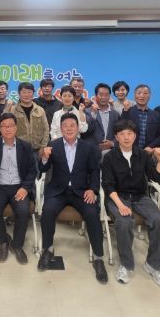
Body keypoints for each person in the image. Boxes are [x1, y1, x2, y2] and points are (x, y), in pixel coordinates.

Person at [37, 113, 108, 284]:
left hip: (82, 191)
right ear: (60, 129)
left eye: (72, 125)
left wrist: (92, 190)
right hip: (58, 190)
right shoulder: (53, 145)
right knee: (47, 211)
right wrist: (44, 157)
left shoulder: (88, 147)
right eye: (65, 126)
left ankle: (98, 258)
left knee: (92, 214)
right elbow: (43, 169)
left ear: (78, 128)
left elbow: (94, 171)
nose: (68, 128)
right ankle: (48, 249)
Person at [101, 119, 160, 287]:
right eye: (122, 134)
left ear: (135, 136)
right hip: (118, 197)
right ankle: (126, 265)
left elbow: (156, 177)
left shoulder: (143, 155)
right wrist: (120, 205)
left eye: (130, 133)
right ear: (116, 137)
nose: (126, 137)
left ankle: (154, 265)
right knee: (124, 222)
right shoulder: (109, 157)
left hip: (140, 197)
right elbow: (108, 185)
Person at [0, 113, 37, 264]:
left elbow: (33, 170)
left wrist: (25, 188)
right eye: (4, 126)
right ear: (0, 129)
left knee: (23, 211)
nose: (8, 129)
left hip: (19, 187)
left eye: (11, 125)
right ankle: (3, 241)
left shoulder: (25, 146)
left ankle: (17, 245)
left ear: (16, 127)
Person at [122, 84, 160, 153]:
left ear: (149, 96)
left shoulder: (156, 115)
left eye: (145, 93)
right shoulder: (127, 111)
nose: (142, 96)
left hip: (148, 151)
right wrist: (125, 111)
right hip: (130, 150)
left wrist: (150, 146)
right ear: (134, 96)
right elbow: (121, 129)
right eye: (139, 93)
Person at [11, 82, 49, 159]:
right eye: (23, 92)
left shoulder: (40, 110)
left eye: (29, 92)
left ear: (33, 93)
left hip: (37, 149)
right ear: (19, 93)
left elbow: (46, 129)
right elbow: (8, 128)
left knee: (36, 167)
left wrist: (43, 146)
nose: (26, 95)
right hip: (19, 149)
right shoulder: (13, 110)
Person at [84, 83, 120, 155]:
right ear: (95, 96)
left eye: (106, 95)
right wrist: (93, 114)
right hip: (91, 152)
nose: (103, 97)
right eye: (101, 94)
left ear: (109, 96)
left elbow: (120, 132)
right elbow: (85, 132)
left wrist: (112, 143)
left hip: (110, 153)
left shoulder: (115, 114)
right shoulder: (86, 111)